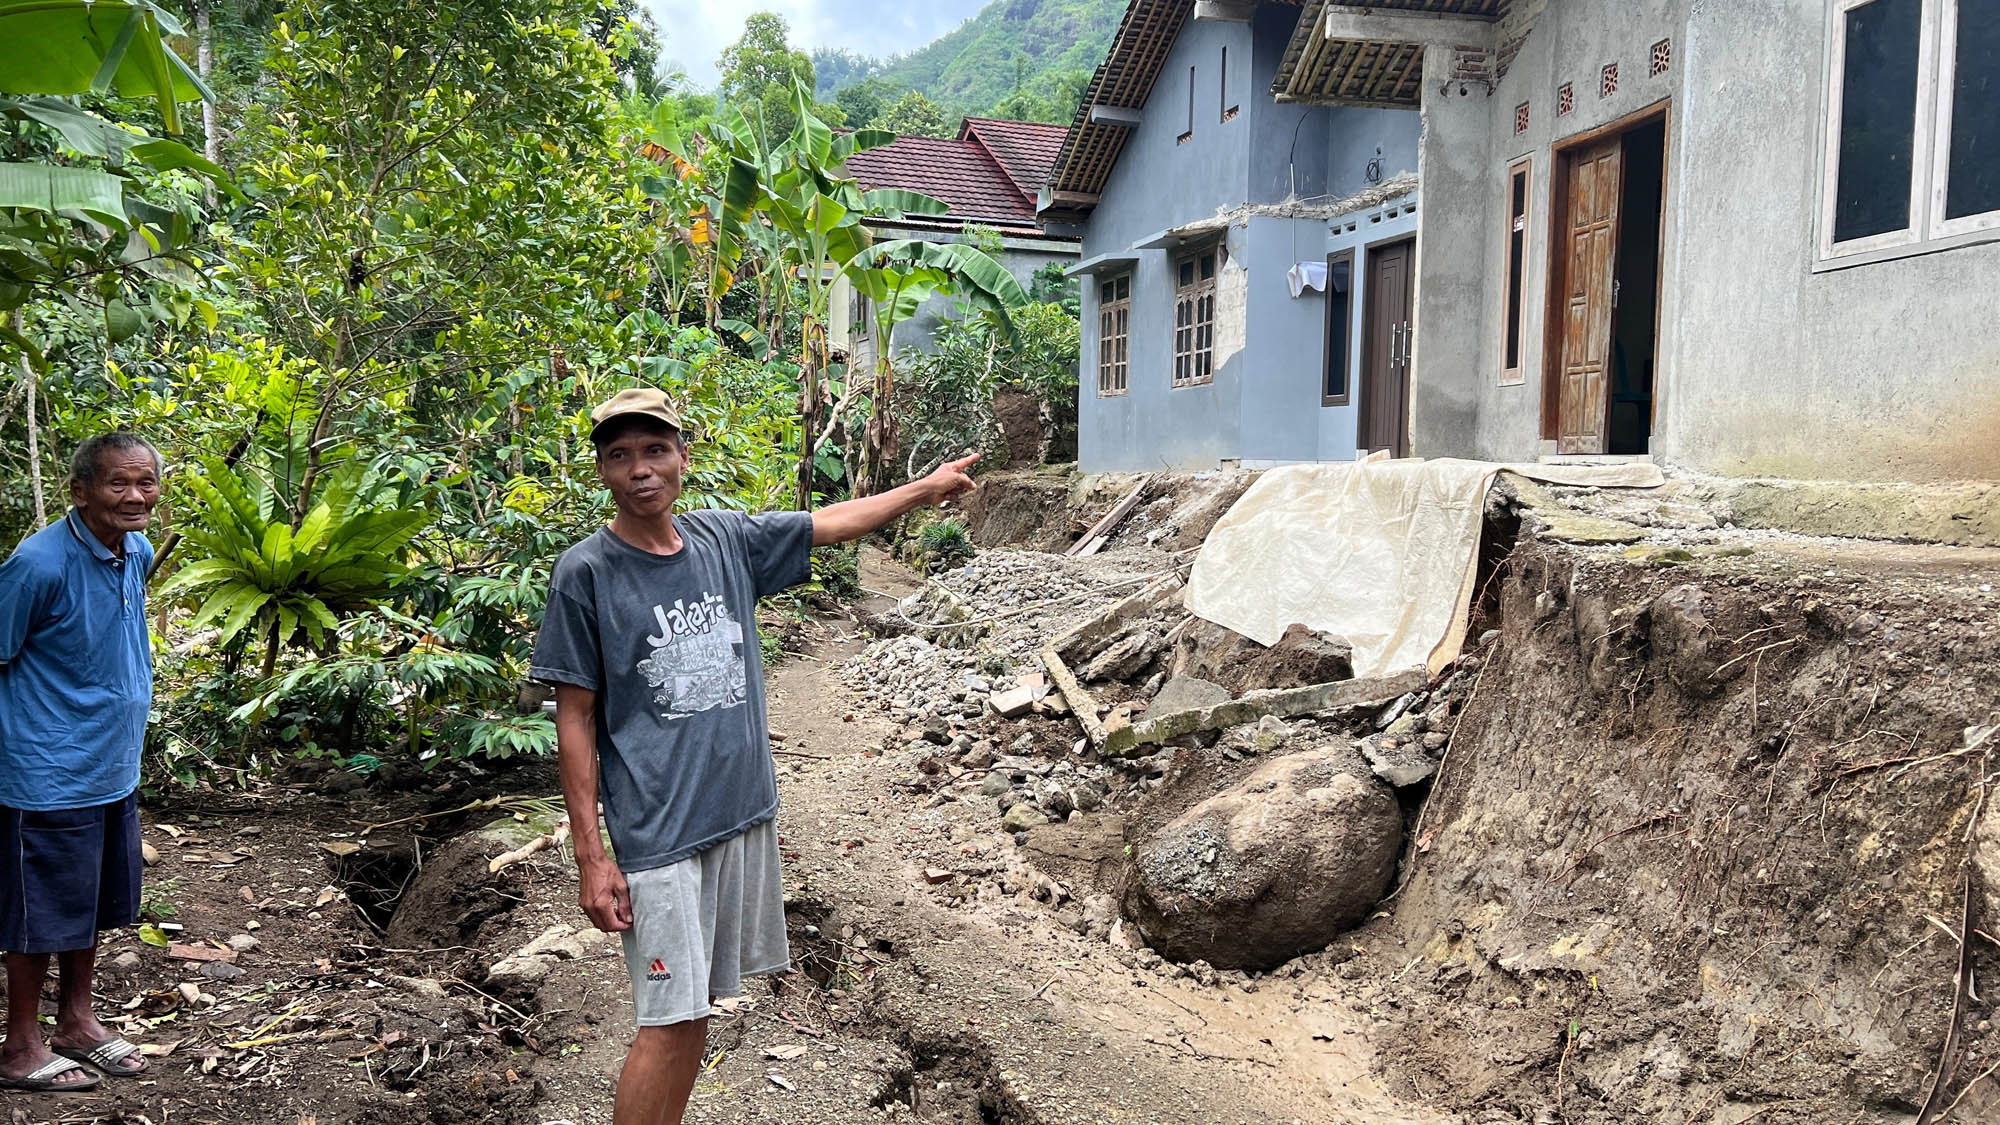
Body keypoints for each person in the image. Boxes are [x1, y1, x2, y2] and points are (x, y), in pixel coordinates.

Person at [532, 388, 976, 1125]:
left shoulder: (723, 540)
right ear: (603, 472)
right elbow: (574, 716)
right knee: (668, 1019)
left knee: (695, 1009)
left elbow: (829, 522)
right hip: (659, 831)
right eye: (619, 455)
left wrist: (925, 489)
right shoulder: (587, 572)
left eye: (654, 450)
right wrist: (591, 855)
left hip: (736, 816)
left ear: (681, 457)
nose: (640, 469)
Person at [0, 433, 162, 1093]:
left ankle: (76, 1022)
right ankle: (18, 1044)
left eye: (145, 482)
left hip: (110, 766)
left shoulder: (139, 550)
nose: (134, 497)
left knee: (90, 902)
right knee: (39, 911)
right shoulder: (36, 565)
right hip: (46, 769)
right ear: (80, 490)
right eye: (118, 484)